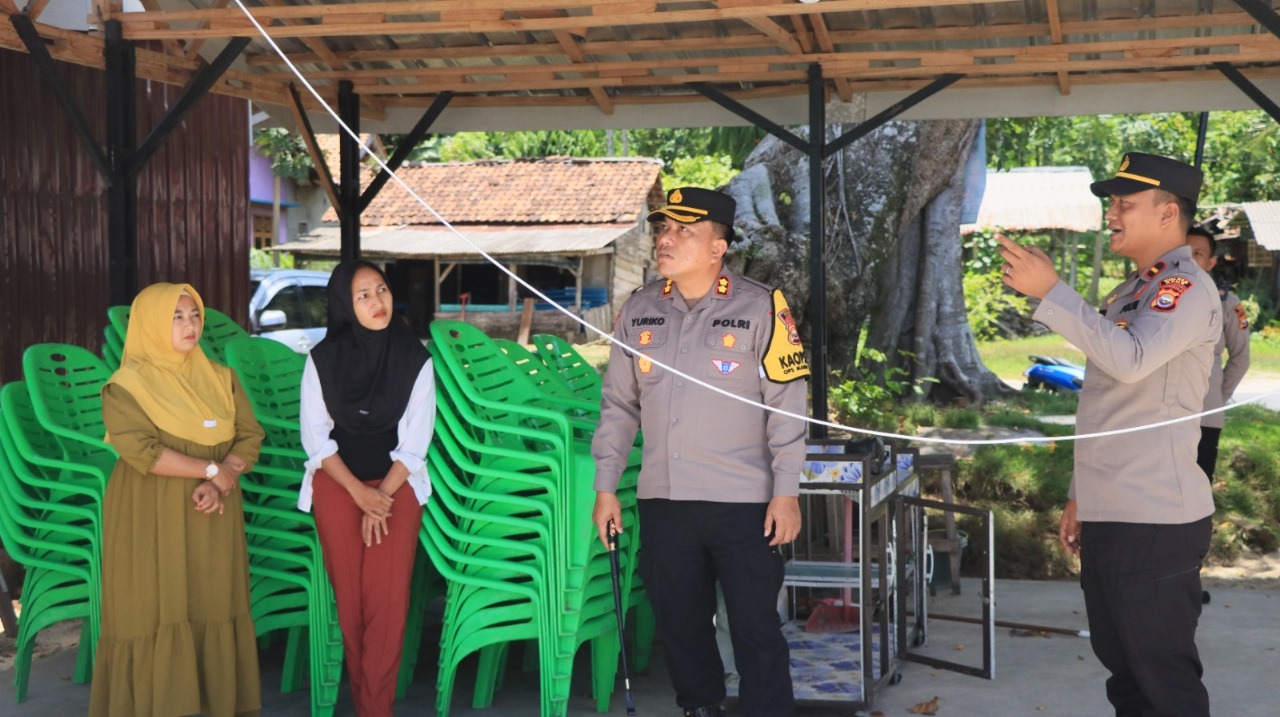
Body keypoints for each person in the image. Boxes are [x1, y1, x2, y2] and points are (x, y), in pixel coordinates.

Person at [999, 152, 1219, 717]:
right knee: (1128, 679)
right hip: (1116, 510)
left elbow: (1129, 359)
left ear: (1168, 213)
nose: (1112, 214)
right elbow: (1109, 408)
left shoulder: (1183, 288)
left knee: (1163, 684)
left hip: (1153, 518)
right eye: (1112, 203)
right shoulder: (1134, 290)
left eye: (1125, 203)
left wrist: (1054, 292)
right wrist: (1082, 495)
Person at [591, 187, 810, 717]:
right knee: (682, 629)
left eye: (683, 231)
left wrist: (786, 493)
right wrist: (605, 488)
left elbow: (788, 408)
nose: (665, 239)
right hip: (665, 501)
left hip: (745, 505)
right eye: (663, 229)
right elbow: (618, 407)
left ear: (718, 247)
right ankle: (699, 709)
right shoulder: (639, 309)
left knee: (756, 629)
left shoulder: (763, 307)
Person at [90, 282, 265, 717]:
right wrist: (211, 471)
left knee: (212, 602)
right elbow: (141, 451)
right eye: (176, 317)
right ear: (150, 324)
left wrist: (221, 481)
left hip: (212, 511)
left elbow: (249, 436)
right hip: (150, 513)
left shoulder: (221, 378)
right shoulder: (125, 386)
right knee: (154, 609)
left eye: (194, 315)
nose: (190, 325)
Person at [299, 260, 435, 717]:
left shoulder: (415, 358)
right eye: (363, 295)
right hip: (339, 484)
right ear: (345, 304)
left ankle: (376, 709)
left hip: (398, 485)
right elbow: (316, 439)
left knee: (387, 604)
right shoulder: (322, 360)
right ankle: (367, 705)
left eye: (382, 290)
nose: (377, 301)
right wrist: (361, 495)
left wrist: (382, 497)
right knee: (352, 605)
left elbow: (416, 443)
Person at [1186, 225, 1250, 481]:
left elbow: (1241, 358)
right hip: (1158, 416)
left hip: (1205, 414)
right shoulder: (1157, 299)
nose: (1189, 260)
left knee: (1198, 485)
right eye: (1183, 252)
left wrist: (1217, 398)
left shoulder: (1229, 304)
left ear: (1211, 262)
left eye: (1198, 254)